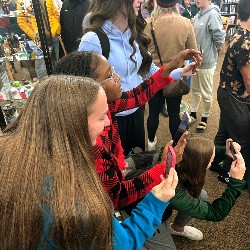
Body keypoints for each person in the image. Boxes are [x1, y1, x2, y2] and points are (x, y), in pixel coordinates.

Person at [0, 74, 179, 249]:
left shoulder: (12, 155)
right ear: (74, 123)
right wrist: (155, 202)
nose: (108, 122)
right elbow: (123, 244)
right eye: (101, 118)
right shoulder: (76, 197)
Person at [53, 50, 200, 210]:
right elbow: (118, 196)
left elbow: (137, 96)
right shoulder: (92, 147)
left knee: (151, 157)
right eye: (110, 75)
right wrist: (164, 166)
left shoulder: (103, 105)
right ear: (89, 88)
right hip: (110, 198)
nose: (118, 77)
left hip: (118, 170)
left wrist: (171, 66)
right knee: (165, 207)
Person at [78, 0, 200, 156]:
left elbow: (149, 71)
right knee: (116, 168)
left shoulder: (134, 35)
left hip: (136, 110)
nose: (141, 0)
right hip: (109, 118)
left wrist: (181, 71)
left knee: (136, 160)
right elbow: (85, 91)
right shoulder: (93, 40)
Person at [144, 137, 246, 249]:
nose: (213, 162)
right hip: (139, 216)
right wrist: (236, 182)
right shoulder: (172, 190)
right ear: (198, 164)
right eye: (211, 160)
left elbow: (195, 152)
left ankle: (177, 228)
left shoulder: (175, 154)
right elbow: (216, 213)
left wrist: (224, 151)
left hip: (153, 200)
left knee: (201, 195)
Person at [144, 0, 197, 150]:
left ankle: (151, 143)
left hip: (153, 74)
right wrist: (178, 56)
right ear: (176, 4)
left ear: (156, 4)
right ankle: (175, 147)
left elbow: (142, 53)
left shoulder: (148, 24)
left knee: (153, 112)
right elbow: (192, 51)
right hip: (175, 75)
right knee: (174, 113)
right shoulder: (185, 23)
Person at [214, 0, 250, 194]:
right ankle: (229, 172)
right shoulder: (246, 42)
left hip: (226, 91)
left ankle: (212, 161)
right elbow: (249, 81)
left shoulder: (239, 34)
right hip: (236, 97)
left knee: (225, 130)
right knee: (241, 138)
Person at [189, 0, 226, 132]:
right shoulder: (199, 14)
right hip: (196, 60)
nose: (197, 0)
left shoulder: (212, 14)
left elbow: (219, 37)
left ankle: (204, 117)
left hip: (207, 62)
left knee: (205, 91)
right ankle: (193, 113)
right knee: (195, 89)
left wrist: (216, 50)